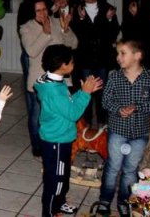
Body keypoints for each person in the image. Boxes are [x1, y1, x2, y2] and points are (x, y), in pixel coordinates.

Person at [35, 44, 102, 217]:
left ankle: (60, 203)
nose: (74, 64)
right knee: (55, 180)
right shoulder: (53, 91)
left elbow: (68, 104)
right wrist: (85, 94)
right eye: (71, 62)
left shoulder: (55, 81)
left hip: (61, 138)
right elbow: (73, 113)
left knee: (62, 175)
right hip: (56, 141)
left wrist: (83, 92)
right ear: (62, 65)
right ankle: (50, 212)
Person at [97, 40, 150, 217]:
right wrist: (119, 109)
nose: (118, 57)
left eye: (122, 53)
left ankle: (124, 202)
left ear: (137, 56)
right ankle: (104, 201)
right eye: (117, 53)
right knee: (113, 167)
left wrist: (136, 107)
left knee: (131, 169)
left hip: (140, 134)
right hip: (117, 131)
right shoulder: (114, 77)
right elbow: (105, 101)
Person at [20, 0, 78, 157]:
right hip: (39, 81)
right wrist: (45, 33)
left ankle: (56, 142)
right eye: (38, 10)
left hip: (61, 79)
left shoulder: (57, 22)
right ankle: (37, 147)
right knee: (37, 116)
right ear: (32, 12)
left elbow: (73, 44)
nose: (42, 13)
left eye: (44, 9)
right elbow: (31, 51)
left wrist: (66, 30)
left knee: (59, 115)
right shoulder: (26, 28)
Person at [71, 0, 120, 127]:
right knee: (85, 91)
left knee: (101, 91)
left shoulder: (107, 8)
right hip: (85, 58)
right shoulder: (77, 10)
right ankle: (85, 124)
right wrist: (81, 19)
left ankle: (101, 123)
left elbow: (113, 34)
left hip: (102, 58)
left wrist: (109, 19)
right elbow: (78, 35)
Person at [17, 0, 47, 93]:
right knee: (31, 87)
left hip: (46, 50)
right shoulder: (25, 6)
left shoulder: (48, 4)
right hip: (31, 49)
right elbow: (21, 29)